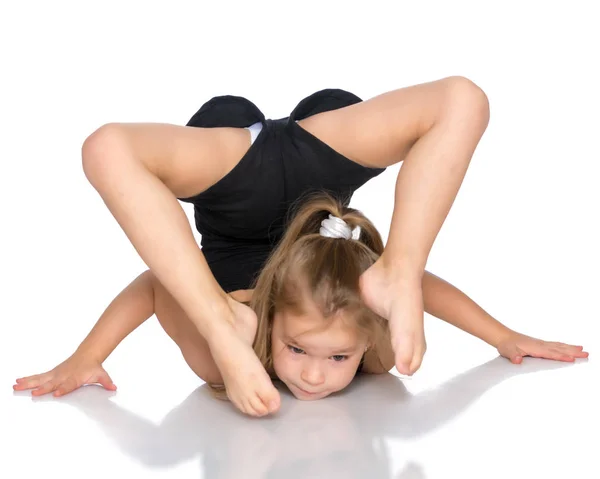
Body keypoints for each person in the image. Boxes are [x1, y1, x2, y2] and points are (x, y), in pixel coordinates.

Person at [13, 77, 588, 417]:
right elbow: (427, 293)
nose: (315, 376)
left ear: (363, 337)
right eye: (303, 350)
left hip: (235, 174)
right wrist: (492, 329)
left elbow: (155, 285)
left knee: (110, 148)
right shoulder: (317, 332)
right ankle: (394, 270)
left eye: (339, 357)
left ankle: (379, 275)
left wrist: (93, 355)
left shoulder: (358, 337)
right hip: (295, 178)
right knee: (462, 98)